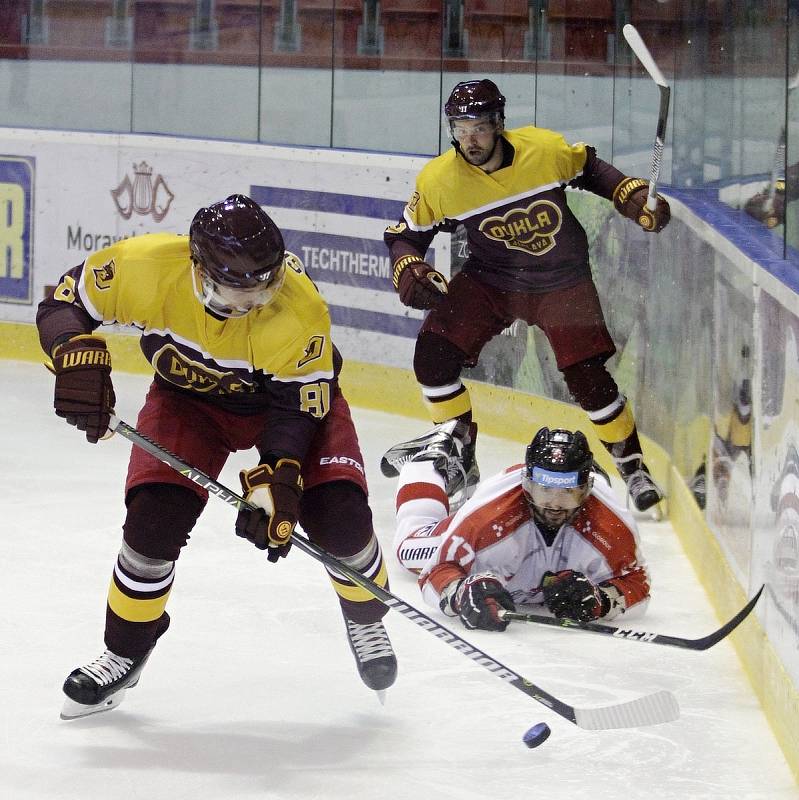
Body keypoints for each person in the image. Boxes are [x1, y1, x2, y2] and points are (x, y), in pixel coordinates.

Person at [37, 194, 397, 719]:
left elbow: (297, 411)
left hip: (286, 408)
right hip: (189, 403)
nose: (256, 301)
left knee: (340, 519)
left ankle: (366, 617)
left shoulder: (300, 310)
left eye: (266, 285)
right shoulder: (146, 268)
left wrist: (279, 480)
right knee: (151, 524)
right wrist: (73, 351)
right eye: (238, 289)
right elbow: (63, 305)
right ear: (199, 269)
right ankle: (125, 650)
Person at [382, 78, 671, 512]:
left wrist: (630, 196)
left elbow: (590, 169)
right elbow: (405, 236)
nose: (470, 139)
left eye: (478, 126)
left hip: (562, 279)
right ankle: (458, 453)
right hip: (492, 279)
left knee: (587, 378)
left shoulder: (543, 149)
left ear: (499, 123)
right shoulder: (440, 179)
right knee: (433, 354)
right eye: (460, 129)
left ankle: (631, 463)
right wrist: (408, 268)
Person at [391, 423, 650, 630]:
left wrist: (602, 600)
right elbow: (434, 572)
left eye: (567, 491)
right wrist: (460, 592)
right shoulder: (488, 516)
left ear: (586, 489)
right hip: (489, 519)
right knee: (407, 549)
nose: (555, 504)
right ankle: (425, 458)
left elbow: (639, 583)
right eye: (545, 489)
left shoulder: (610, 524)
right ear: (526, 483)